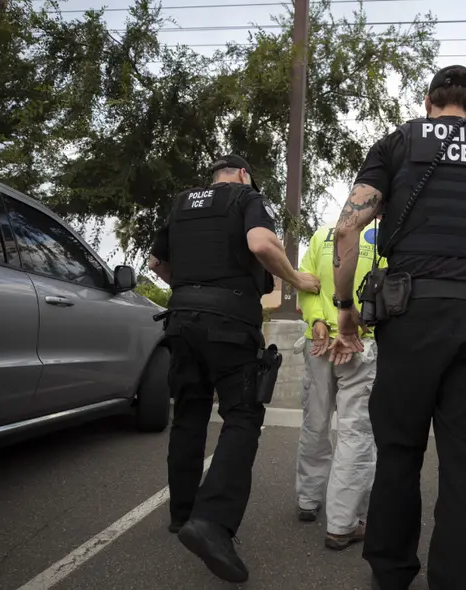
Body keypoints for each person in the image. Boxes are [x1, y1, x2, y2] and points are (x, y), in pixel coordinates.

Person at [328, 65, 466, 590]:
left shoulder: (397, 144)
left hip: (408, 319)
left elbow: (346, 229)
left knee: (398, 454)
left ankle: (391, 572)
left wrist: (345, 307)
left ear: (428, 103)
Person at [148, 154, 320, 584]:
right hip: (229, 324)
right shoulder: (246, 197)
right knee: (242, 417)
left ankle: (182, 514)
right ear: (244, 174)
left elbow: (156, 263)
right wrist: (297, 280)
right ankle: (212, 521)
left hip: (180, 321)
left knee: (189, 415)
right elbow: (261, 245)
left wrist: (188, 290)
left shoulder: (181, 203)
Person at [295, 219, 385, 551]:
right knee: (355, 431)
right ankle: (342, 523)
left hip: (317, 343)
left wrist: (318, 321)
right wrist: (356, 328)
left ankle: (307, 499)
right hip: (360, 344)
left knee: (315, 422)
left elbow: (306, 282)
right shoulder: (385, 238)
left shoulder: (323, 235)